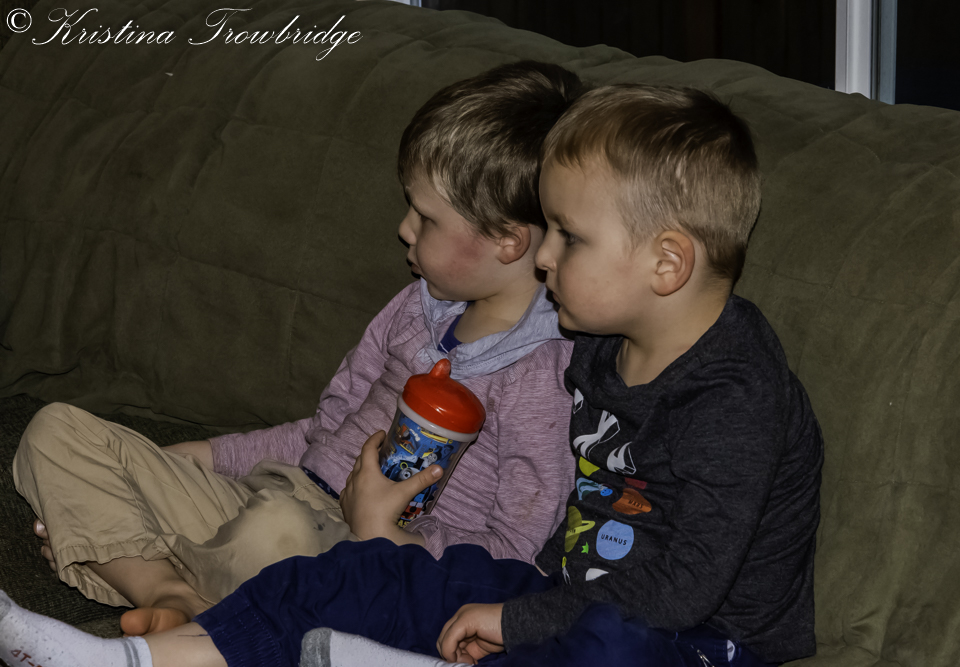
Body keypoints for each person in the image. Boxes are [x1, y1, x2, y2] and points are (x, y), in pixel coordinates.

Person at [0, 83, 824, 667]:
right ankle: (131, 657)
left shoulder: (733, 397)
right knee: (366, 573)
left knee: (590, 638)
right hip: (569, 593)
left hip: (696, 642)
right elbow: (334, 427)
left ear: (667, 263)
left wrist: (515, 614)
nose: (545, 256)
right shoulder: (603, 347)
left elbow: (677, 594)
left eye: (568, 237)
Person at [10, 61, 582, 637]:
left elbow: (518, 553)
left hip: (369, 560)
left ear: (507, 240)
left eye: (426, 218)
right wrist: (203, 457)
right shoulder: (414, 308)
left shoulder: (543, 376)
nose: (405, 229)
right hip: (280, 497)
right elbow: (323, 432)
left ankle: (129, 559)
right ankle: (168, 591)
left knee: (273, 531)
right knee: (56, 433)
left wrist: (394, 535)